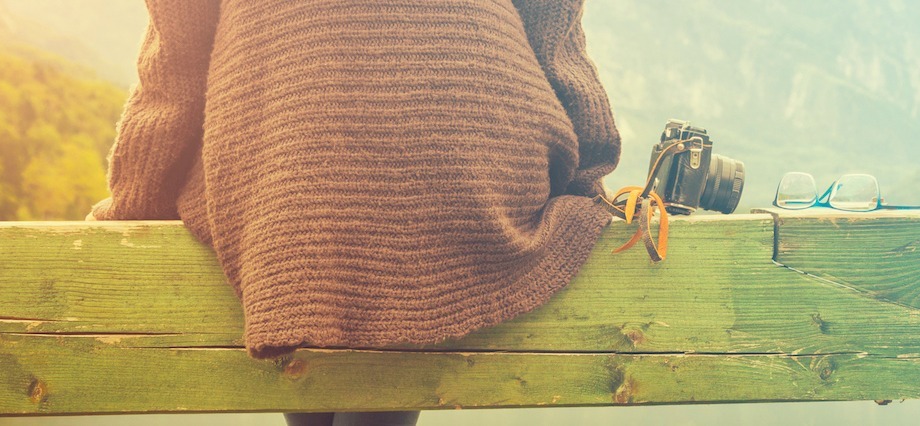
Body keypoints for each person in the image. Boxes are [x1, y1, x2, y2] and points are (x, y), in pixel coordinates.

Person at [90, 1, 620, 425]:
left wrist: (135, 199)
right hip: (469, 157)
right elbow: (554, 32)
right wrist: (588, 172)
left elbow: (176, 64)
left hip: (292, 163)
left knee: (300, 201)